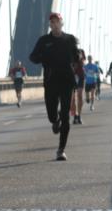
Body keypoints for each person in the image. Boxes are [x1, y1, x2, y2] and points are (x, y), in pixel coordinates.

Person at [29, 11, 80, 161]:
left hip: (66, 81)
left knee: (66, 116)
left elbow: (76, 57)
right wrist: (42, 57)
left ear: (61, 23)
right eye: (52, 22)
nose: (54, 24)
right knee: (52, 115)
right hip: (50, 81)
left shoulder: (70, 39)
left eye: (57, 21)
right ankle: (54, 120)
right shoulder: (44, 41)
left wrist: (77, 59)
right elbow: (33, 57)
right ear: (50, 25)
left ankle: (61, 150)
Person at [70, 48, 86, 125]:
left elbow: (83, 62)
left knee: (79, 96)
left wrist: (79, 57)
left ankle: (78, 115)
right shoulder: (67, 52)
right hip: (71, 76)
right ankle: (75, 115)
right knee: (72, 99)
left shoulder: (81, 51)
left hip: (80, 75)